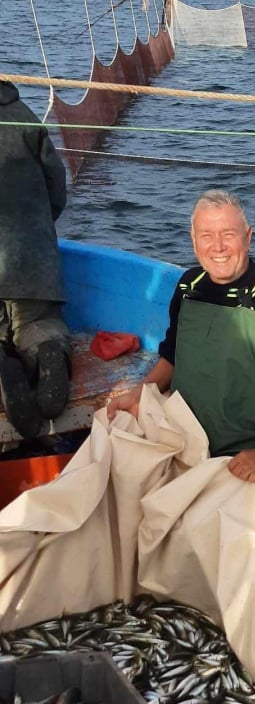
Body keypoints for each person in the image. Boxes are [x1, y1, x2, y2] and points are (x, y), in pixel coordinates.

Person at [108, 190, 255, 483]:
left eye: (228, 234)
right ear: (193, 240)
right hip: (179, 431)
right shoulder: (189, 286)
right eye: (207, 235)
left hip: (241, 452)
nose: (218, 247)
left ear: (248, 237)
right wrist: (140, 394)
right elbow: (173, 354)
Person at [0, 80, 71, 439]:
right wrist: (40, 230)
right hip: (33, 256)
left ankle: (3, 365)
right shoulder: (24, 115)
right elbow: (56, 183)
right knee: (38, 322)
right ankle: (46, 349)